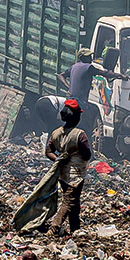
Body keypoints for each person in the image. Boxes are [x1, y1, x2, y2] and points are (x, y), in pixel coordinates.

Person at [45, 100, 93, 236]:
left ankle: (75, 228)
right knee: (69, 201)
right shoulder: (80, 135)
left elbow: (48, 151)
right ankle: (54, 228)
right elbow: (86, 154)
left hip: (62, 173)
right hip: (76, 174)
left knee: (74, 201)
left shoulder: (56, 133)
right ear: (77, 117)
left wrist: (59, 159)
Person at [65, 48, 127, 135]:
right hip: (80, 103)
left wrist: (68, 86)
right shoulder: (88, 67)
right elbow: (105, 73)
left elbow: (60, 75)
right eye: (88, 56)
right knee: (85, 129)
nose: (91, 58)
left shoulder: (74, 66)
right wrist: (121, 76)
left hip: (70, 100)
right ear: (82, 57)